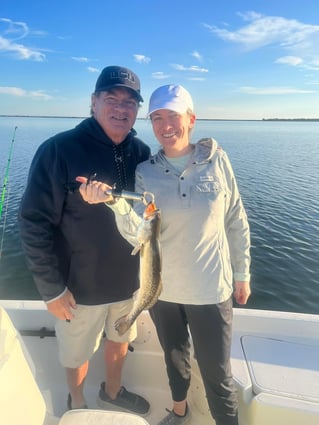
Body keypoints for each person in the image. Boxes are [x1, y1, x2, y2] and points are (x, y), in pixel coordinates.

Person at [76, 84, 251, 425]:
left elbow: (235, 218)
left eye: (173, 115)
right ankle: (179, 412)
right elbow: (137, 232)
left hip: (211, 290)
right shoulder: (146, 172)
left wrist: (242, 272)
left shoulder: (219, 161)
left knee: (217, 374)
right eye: (157, 117)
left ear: (191, 119)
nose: (165, 124)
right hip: (162, 290)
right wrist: (113, 204)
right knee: (174, 359)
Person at [19, 66, 151, 414]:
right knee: (77, 353)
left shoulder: (142, 152)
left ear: (137, 109)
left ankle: (112, 390)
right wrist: (52, 289)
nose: (121, 108)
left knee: (121, 340)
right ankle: (77, 403)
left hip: (129, 283)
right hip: (78, 289)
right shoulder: (58, 150)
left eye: (130, 102)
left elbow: (151, 215)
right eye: (112, 99)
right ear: (94, 102)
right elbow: (33, 223)